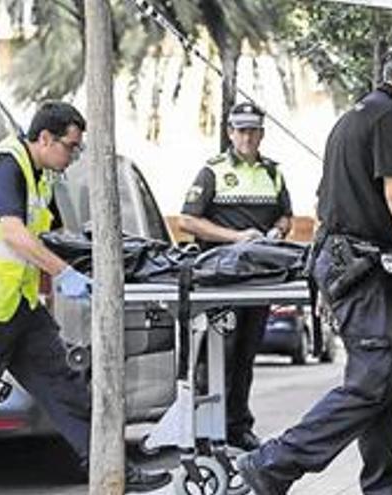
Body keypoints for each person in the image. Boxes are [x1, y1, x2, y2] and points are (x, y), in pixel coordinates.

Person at [237, 37, 392, 494]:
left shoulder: (361, 116)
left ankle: (385, 486)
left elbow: (330, 205)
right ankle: (274, 463)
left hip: (350, 263)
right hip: (363, 268)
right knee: (370, 385)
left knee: (386, 388)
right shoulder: (391, 119)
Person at [0, 101, 170, 494]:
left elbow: (53, 234)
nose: (74, 155)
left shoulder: (42, 177)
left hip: (16, 305)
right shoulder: (7, 164)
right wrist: (64, 274)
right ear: (46, 138)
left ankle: (112, 469)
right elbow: (14, 233)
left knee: (63, 385)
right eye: (71, 146)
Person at [178, 102, 293, 451]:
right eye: (240, 130)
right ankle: (202, 430)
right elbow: (187, 221)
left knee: (245, 355)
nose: (247, 136)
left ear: (261, 133)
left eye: (252, 130)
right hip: (221, 279)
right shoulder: (211, 172)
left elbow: (287, 215)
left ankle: (237, 427)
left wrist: (276, 231)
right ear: (230, 132)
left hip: (259, 279)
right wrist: (237, 237)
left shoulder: (273, 173)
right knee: (216, 354)